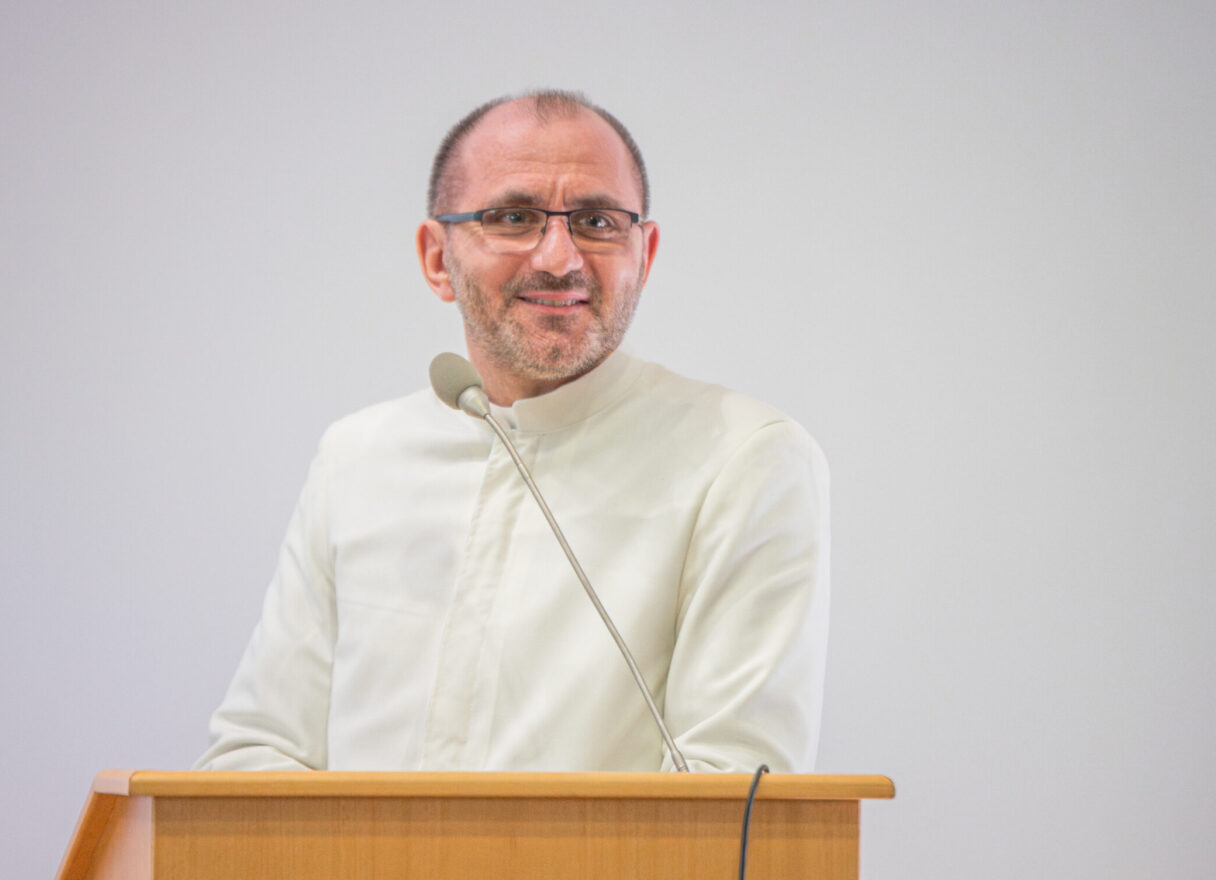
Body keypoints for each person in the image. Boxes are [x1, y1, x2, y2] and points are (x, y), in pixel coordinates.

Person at [194, 90, 829, 774]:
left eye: (596, 221)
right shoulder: (356, 458)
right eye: (514, 218)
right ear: (436, 258)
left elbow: (731, 801)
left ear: (643, 255)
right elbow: (253, 756)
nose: (559, 258)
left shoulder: (744, 460)